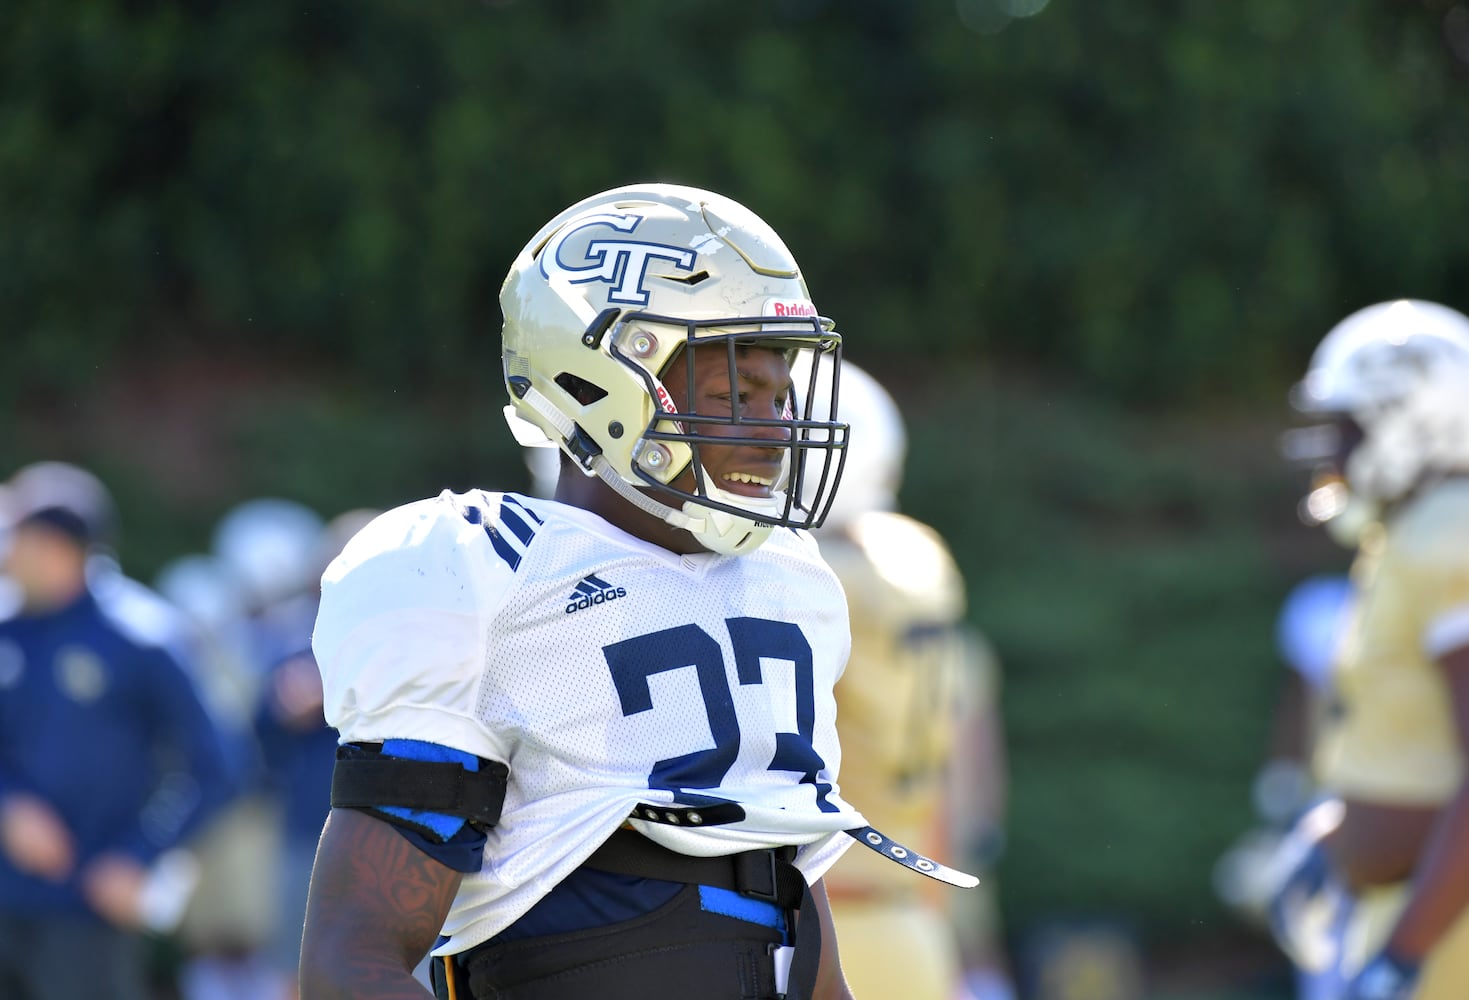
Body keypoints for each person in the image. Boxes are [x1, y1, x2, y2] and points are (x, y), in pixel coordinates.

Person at [299, 182, 977, 1000]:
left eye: (779, 394)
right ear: (599, 381)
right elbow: (353, 960)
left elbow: (785, 892)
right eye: (734, 394)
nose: (775, 430)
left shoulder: (787, 581)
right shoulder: (489, 571)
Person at [1267, 299, 1469, 1000]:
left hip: (1447, 936)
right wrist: (1334, 835)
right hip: (1417, 916)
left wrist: (1405, 952)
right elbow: (1409, 751)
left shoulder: (1452, 533)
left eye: (1349, 426)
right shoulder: (1411, 535)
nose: (1333, 452)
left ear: (1415, 419)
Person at [797, 359, 1014, 1000]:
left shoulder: (801, 582)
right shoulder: (917, 566)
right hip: (908, 915)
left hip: (811, 926)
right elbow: (959, 794)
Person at [0, 460, 236, 1000]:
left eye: (16, 536)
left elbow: (219, 764)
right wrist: (8, 803)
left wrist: (141, 855)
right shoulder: (7, 625)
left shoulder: (144, 637)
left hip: (88, 908)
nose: (5, 549)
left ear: (56, 547)